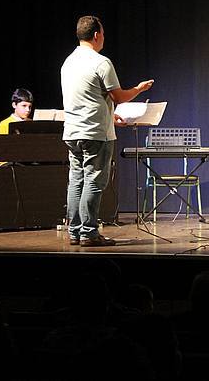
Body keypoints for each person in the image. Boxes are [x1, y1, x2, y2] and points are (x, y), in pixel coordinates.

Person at [61, 15, 153, 246]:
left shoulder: (68, 62)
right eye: (102, 33)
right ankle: (89, 233)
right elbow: (118, 95)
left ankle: (75, 231)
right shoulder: (101, 62)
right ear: (96, 35)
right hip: (95, 133)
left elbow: (85, 97)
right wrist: (138, 89)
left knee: (76, 181)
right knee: (93, 181)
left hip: (73, 132)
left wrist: (109, 115)